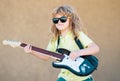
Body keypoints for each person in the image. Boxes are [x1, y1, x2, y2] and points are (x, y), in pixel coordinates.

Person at [24, 5, 99, 81]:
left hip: (83, 77)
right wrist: (31, 51)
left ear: (71, 20)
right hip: (64, 78)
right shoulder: (55, 39)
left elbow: (95, 48)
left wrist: (78, 53)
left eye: (63, 19)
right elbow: (46, 56)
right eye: (56, 20)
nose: (59, 22)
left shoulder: (77, 34)